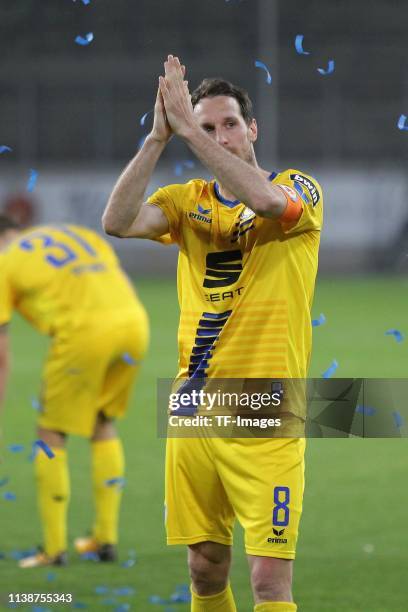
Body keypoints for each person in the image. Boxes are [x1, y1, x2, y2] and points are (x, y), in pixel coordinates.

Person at [102, 55, 323, 612]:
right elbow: (117, 222)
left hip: (266, 408)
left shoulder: (299, 187)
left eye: (229, 124)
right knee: (203, 571)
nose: (220, 135)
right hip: (195, 406)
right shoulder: (185, 204)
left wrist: (191, 136)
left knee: (269, 582)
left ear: (253, 129)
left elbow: (267, 203)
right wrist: (157, 138)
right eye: (204, 127)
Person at [0, 217, 149, 568]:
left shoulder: (6, 261)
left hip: (84, 334)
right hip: (134, 324)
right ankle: (104, 539)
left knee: (50, 432)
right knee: (102, 420)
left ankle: (53, 550)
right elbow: (122, 280)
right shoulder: (76, 233)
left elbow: (1, 353)